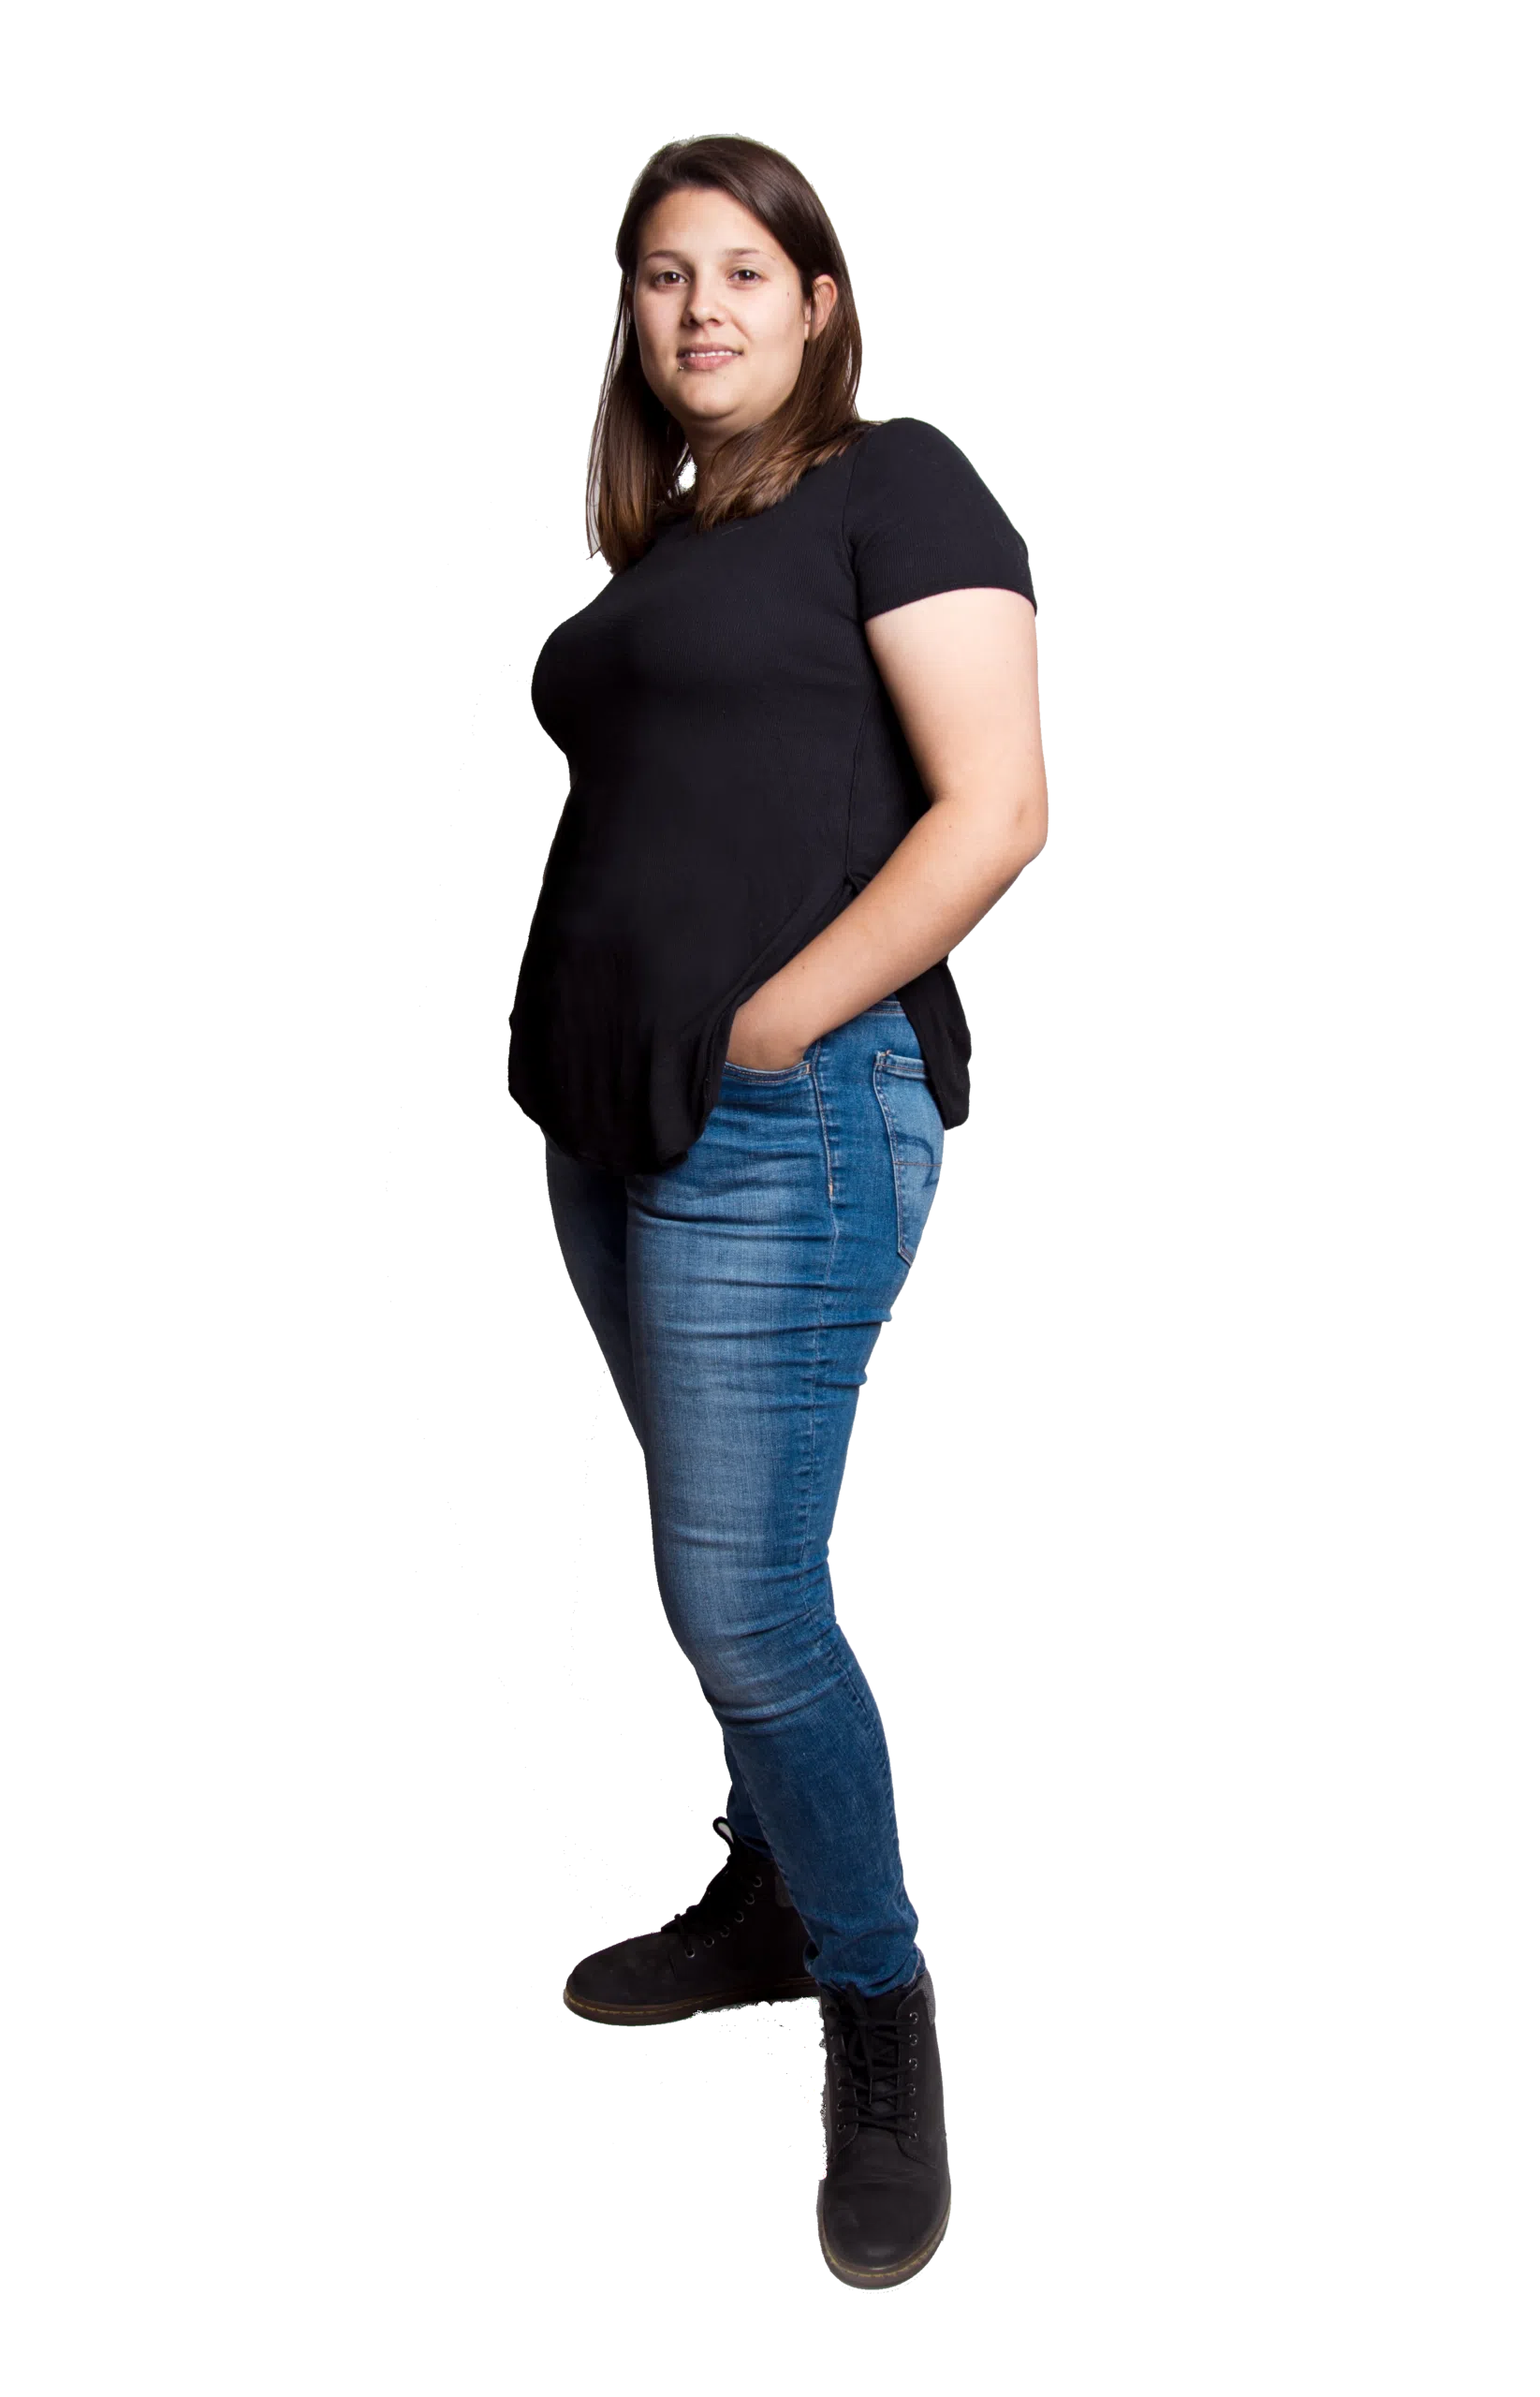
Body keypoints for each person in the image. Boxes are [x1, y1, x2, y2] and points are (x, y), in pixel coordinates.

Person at [506, 139, 1045, 2291]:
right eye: (663, 277)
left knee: (739, 1602)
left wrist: (771, 1022)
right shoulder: (672, 544)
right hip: (613, 1127)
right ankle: (760, 1894)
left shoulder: (897, 483)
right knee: (713, 1553)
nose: (700, 308)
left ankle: (881, 2006)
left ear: (819, 303)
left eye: (743, 270)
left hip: (786, 1114)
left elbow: (996, 807)